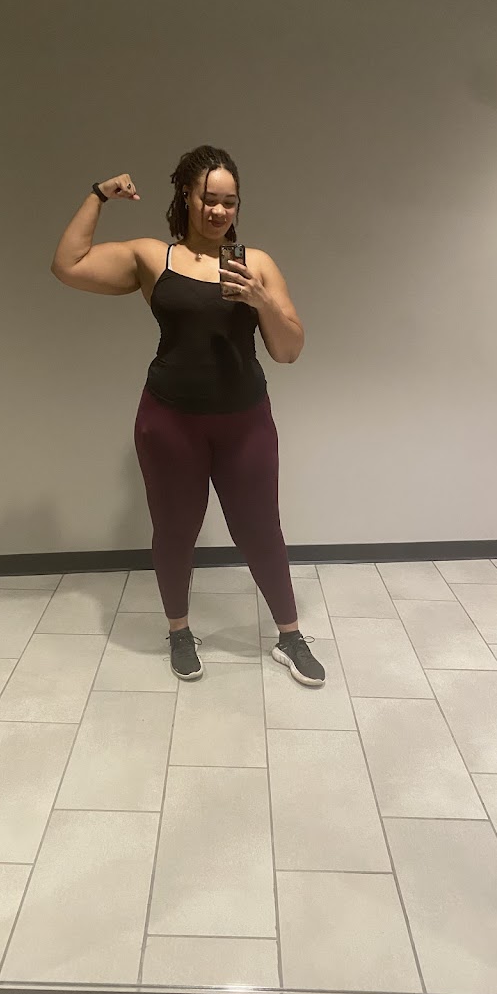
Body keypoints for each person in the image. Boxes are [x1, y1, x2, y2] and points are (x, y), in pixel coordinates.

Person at [51, 144, 325, 688]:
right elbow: (68, 265)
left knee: (261, 529)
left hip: (245, 422)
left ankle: (290, 635)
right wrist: (97, 195)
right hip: (170, 421)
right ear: (186, 196)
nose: (219, 211)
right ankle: (179, 630)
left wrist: (261, 301)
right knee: (175, 531)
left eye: (230, 201)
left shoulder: (255, 263)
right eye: (208, 199)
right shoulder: (154, 257)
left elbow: (290, 350)